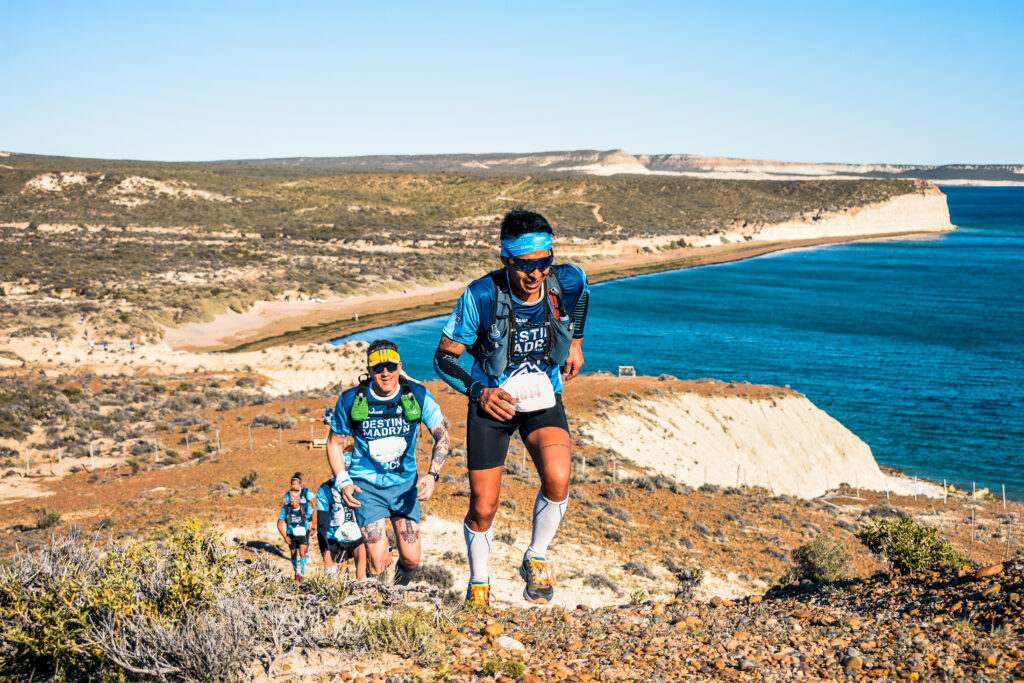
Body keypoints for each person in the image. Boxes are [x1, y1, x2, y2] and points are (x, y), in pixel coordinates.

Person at [433, 208, 590, 605]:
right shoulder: (481, 296)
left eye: (543, 262)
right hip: (491, 404)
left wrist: (575, 342)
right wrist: (479, 392)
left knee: (558, 477)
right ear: (506, 259)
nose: (535, 273)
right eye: (524, 264)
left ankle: (535, 557)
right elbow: (443, 359)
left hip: (542, 396)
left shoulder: (566, 280)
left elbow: (583, 296)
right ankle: (479, 583)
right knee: (484, 507)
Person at [325, 340, 449, 584]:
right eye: (378, 368)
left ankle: (398, 590)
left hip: (405, 485)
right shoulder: (350, 400)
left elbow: (442, 436)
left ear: (399, 367)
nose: (385, 373)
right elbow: (334, 443)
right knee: (378, 559)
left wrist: (432, 474)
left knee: (411, 558)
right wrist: (343, 481)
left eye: (391, 366)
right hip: (366, 486)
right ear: (369, 370)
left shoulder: (418, 395)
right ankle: (385, 598)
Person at [316, 474, 367, 579]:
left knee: (362, 577)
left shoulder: (360, 483)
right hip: (336, 540)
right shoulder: (325, 489)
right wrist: (327, 557)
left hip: (358, 538)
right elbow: (321, 527)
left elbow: (375, 516)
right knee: (340, 580)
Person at [278, 491, 315, 581]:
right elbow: (279, 525)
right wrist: (285, 537)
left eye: (295, 501)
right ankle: (296, 572)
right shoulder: (285, 509)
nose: (293, 503)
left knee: (302, 552)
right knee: (293, 554)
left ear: (299, 500)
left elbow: (313, 513)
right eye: (291, 501)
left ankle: (302, 572)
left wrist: (312, 526)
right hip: (291, 534)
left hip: (302, 534)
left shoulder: (305, 507)